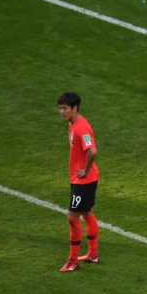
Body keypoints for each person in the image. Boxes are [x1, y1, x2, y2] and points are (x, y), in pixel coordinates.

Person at [57, 92, 100, 272]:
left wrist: (85, 170)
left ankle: (73, 260)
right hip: (81, 179)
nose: (61, 111)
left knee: (72, 218)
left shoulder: (81, 128)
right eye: (60, 108)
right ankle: (92, 254)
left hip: (84, 181)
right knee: (87, 213)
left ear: (75, 108)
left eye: (65, 108)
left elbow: (92, 151)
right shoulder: (73, 123)